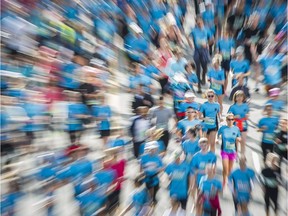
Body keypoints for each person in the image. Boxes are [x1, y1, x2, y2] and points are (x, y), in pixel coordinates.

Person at [189, 16, 214, 93]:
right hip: (197, 50)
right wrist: (191, 44)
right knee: (198, 69)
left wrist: (207, 44)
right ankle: (199, 86)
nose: (199, 24)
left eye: (200, 22)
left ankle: (203, 77)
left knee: (205, 67)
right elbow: (189, 37)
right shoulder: (194, 30)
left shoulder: (207, 30)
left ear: (203, 22)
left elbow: (212, 39)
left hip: (204, 51)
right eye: (197, 23)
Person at [217, 113, 241, 186]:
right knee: (225, 168)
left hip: (233, 151)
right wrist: (217, 139)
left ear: (234, 120)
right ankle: (224, 181)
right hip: (224, 151)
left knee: (230, 169)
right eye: (229, 119)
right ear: (226, 120)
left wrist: (239, 139)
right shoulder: (222, 128)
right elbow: (217, 135)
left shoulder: (236, 129)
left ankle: (229, 179)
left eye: (232, 119)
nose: (230, 121)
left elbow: (239, 137)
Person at [103, 147, 127, 213]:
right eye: (114, 153)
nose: (115, 154)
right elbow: (104, 176)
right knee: (109, 207)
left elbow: (123, 174)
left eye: (116, 153)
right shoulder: (106, 164)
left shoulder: (122, 162)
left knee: (117, 205)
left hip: (118, 187)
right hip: (109, 188)